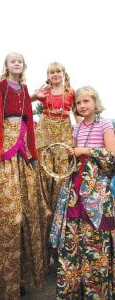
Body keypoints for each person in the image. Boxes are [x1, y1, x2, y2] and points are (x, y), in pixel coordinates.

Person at [49, 86, 115, 299]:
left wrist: (85, 151)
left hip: (97, 193)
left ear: (95, 102)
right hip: (75, 190)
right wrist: (71, 154)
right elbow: (75, 157)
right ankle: (74, 291)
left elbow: (112, 158)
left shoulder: (105, 124)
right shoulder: (76, 129)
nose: (82, 106)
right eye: (78, 103)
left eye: (86, 101)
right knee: (74, 239)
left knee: (95, 238)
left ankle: (96, 292)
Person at [0, 52, 44, 299]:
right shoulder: (0, 87)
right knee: (11, 216)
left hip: (23, 150)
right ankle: (8, 282)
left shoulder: (23, 88)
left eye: (20, 60)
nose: (16, 63)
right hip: (7, 151)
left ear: (23, 66)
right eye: (13, 60)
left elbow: (28, 120)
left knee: (29, 213)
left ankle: (23, 277)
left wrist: (31, 150)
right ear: (6, 65)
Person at [31, 62, 80, 272]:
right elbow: (28, 101)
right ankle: (42, 255)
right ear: (48, 75)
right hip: (45, 137)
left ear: (63, 74)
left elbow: (78, 116)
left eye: (58, 71)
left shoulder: (71, 92)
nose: (55, 74)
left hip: (63, 138)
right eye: (51, 72)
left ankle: (60, 251)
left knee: (61, 188)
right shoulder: (44, 92)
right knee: (43, 183)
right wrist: (35, 95)